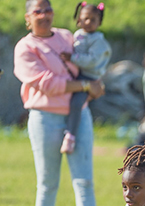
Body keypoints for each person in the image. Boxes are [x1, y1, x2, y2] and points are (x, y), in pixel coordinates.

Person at [13, 0, 115, 206]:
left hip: (79, 114)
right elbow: (47, 84)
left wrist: (96, 84)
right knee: (48, 185)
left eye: (48, 10)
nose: (44, 15)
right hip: (45, 117)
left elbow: (88, 65)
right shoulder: (25, 47)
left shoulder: (66, 37)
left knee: (85, 182)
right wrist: (85, 85)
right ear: (28, 18)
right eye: (38, 11)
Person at [58, 1, 111, 154]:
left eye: (93, 20)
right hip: (79, 74)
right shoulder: (78, 35)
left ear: (99, 22)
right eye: (85, 18)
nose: (88, 22)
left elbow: (92, 60)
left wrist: (72, 58)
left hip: (90, 76)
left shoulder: (98, 41)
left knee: (76, 103)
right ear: (78, 19)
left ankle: (70, 136)